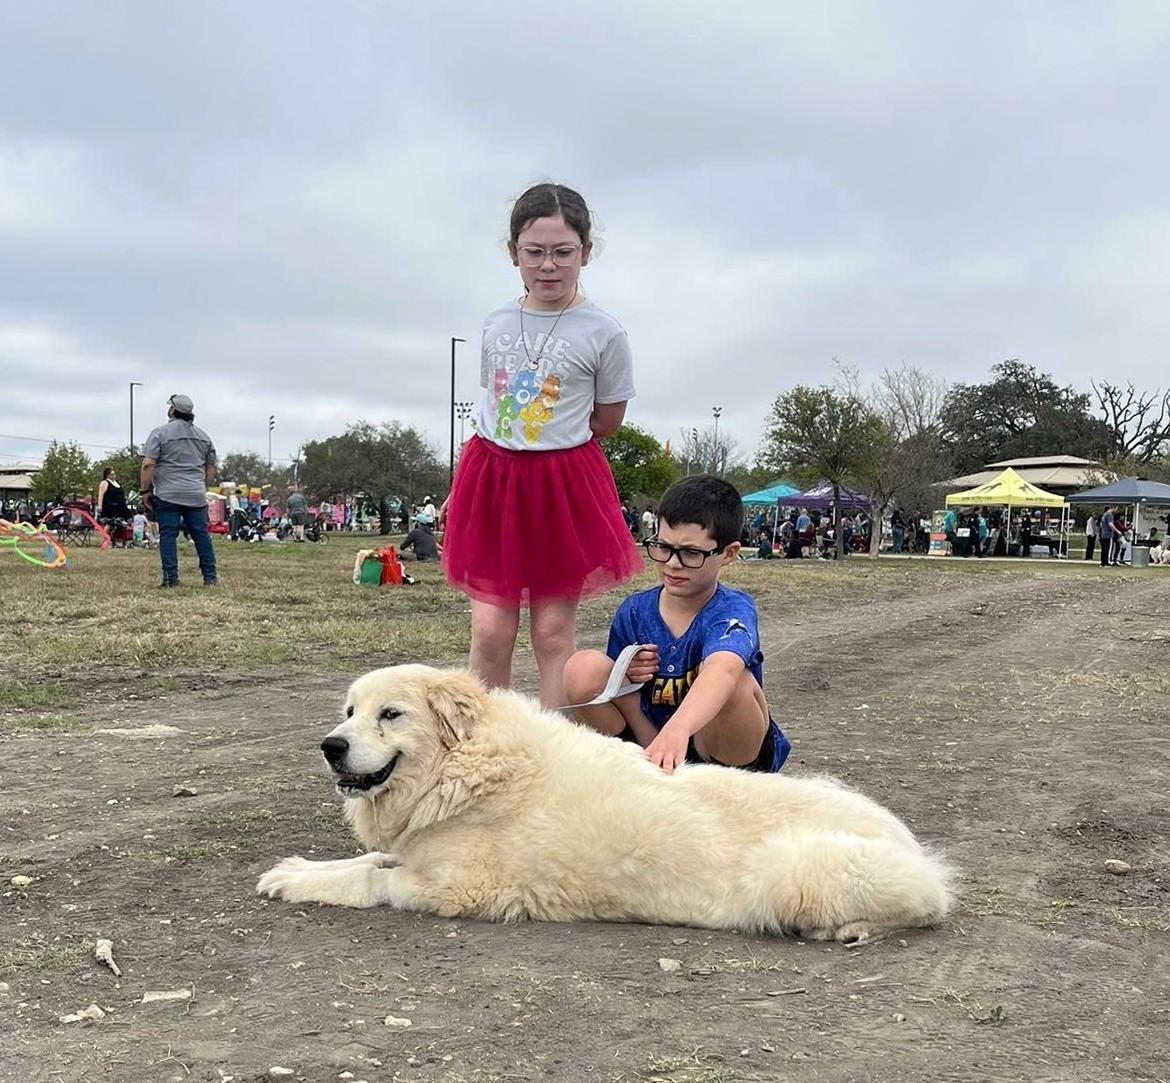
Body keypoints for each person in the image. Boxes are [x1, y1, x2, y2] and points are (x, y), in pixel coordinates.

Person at [440, 182, 640, 707]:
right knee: (490, 633)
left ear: (585, 252)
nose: (548, 265)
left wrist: (549, 440)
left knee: (552, 635)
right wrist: (461, 487)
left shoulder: (604, 333)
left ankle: (552, 747)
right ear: (514, 253)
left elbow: (607, 420)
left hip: (559, 488)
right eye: (534, 252)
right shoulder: (496, 323)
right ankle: (487, 741)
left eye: (562, 252)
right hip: (492, 481)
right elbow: (493, 408)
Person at [562, 475, 790, 775]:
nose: (672, 563)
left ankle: (724, 785)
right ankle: (644, 768)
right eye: (663, 546)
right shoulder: (634, 611)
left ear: (728, 554)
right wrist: (627, 674)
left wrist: (679, 729)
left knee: (736, 683)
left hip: (720, 748)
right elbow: (619, 694)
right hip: (650, 737)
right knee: (582, 668)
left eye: (691, 553)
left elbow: (724, 669)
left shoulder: (732, 609)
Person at [139, 394, 218, 587]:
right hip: (195, 493)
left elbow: (148, 464)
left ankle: (170, 578)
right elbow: (211, 467)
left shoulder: (159, 433)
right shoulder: (203, 437)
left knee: (168, 534)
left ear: (173, 410)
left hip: (168, 493)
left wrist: (144, 491)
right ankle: (210, 577)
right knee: (201, 535)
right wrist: (203, 486)